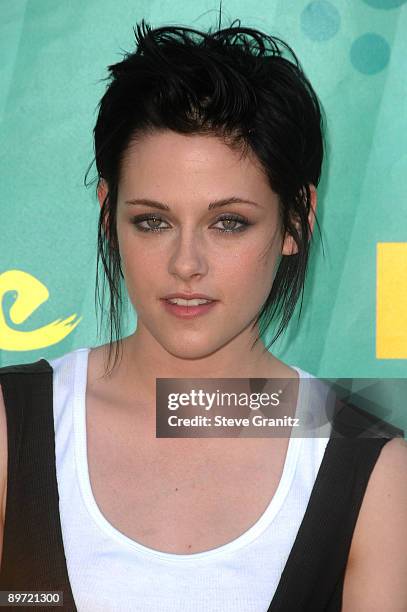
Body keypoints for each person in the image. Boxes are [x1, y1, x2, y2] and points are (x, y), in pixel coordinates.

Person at [1, 18, 406, 612]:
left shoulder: (372, 470)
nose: (186, 263)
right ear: (108, 214)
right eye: (153, 221)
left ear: (297, 219)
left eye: (229, 222)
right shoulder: (13, 428)